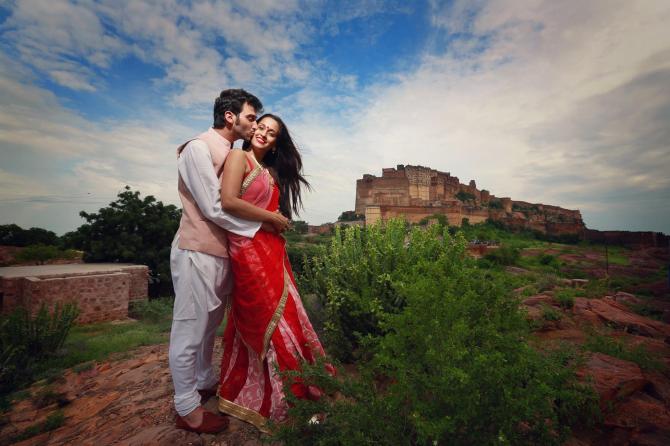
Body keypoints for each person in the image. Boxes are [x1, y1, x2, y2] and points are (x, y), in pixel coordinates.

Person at [169, 90, 290, 434]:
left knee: (209, 326)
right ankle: (187, 407)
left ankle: (203, 381)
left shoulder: (229, 152)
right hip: (196, 250)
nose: (255, 126)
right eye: (251, 118)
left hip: (221, 252)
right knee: (190, 328)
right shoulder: (198, 148)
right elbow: (212, 206)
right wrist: (264, 224)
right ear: (230, 117)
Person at [217, 114, 334, 433]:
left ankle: (300, 392)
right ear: (251, 129)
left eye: (272, 133)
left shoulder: (270, 172)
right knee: (267, 318)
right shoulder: (237, 157)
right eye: (261, 128)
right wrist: (272, 218)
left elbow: (265, 214)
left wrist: (276, 221)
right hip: (247, 251)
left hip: (271, 250)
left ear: (276, 143)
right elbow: (228, 201)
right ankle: (286, 400)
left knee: (290, 318)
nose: (264, 134)